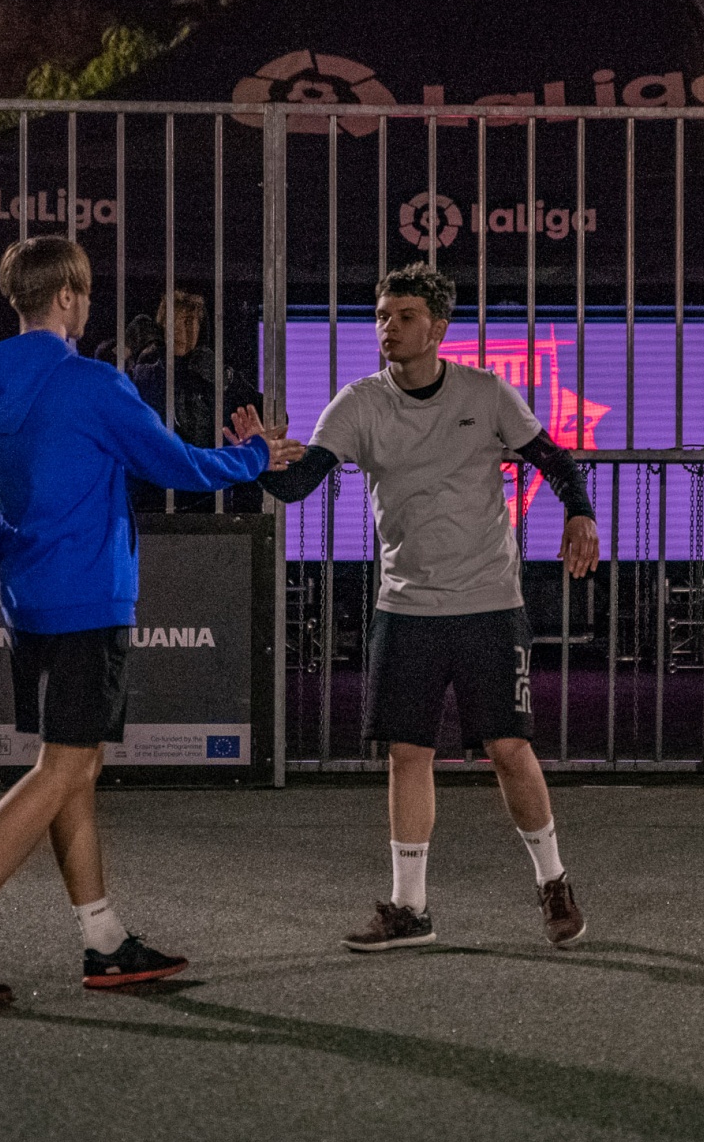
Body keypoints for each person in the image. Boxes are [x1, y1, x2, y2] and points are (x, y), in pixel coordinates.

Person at [0, 235, 301, 1002]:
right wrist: (255, 456)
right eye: (85, 295)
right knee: (63, 769)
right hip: (90, 599)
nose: (88, 308)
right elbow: (179, 466)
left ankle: (104, 941)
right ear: (66, 297)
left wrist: (18, 549)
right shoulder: (92, 384)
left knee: (75, 769)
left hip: (30, 601)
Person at [256, 261, 600, 951]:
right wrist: (257, 460)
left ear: (437, 328)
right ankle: (410, 908)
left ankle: (553, 882)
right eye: (382, 316)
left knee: (508, 748)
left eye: (405, 316)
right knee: (407, 752)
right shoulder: (357, 403)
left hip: (488, 602)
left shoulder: (485, 392)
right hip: (405, 605)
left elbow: (556, 461)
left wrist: (580, 513)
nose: (389, 327)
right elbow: (298, 485)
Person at [107, 289, 263, 512]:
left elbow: (272, 416)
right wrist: (128, 347)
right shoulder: (144, 373)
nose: (182, 330)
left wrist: (229, 381)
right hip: (150, 504)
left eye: (190, 321)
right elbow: (103, 390)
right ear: (162, 325)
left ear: (200, 327)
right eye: (174, 321)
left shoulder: (213, 373)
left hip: (209, 503)